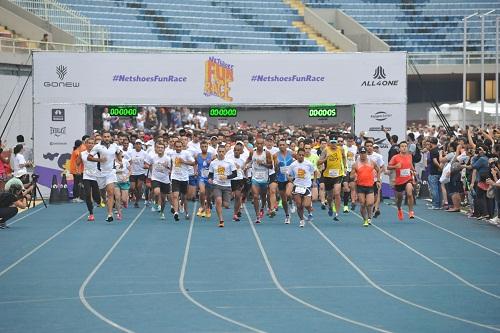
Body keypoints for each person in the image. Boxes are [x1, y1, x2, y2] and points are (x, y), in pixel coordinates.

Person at [87, 131, 120, 222]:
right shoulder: (97, 147)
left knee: (110, 192)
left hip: (111, 172)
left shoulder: (114, 146)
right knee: (102, 192)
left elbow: (118, 153)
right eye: (104, 136)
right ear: (102, 137)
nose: (106, 138)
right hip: (100, 173)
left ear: (110, 137)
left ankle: (109, 214)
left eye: (108, 136)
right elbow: (89, 157)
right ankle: (104, 199)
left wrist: (120, 160)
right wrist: (99, 159)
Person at [208, 145, 237, 227]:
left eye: (222, 151)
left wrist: (226, 177)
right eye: (219, 151)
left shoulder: (229, 162)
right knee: (218, 201)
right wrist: (210, 179)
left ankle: (220, 204)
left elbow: (235, 174)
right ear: (217, 152)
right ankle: (221, 220)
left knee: (226, 205)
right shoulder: (213, 163)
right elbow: (210, 174)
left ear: (225, 152)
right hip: (217, 184)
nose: (221, 153)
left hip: (227, 186)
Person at [318, 138, 346, 222]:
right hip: (327, 175)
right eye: (332, 143)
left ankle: (337, 213)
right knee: (329, 196)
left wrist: (344, 167)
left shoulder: (341, 149)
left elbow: (344, 157)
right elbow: (318, 162)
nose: (334, 144)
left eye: (335, 143)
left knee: (337, 193)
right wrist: (325, 159)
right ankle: (330, 206)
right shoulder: (326, 150)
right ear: (329, 143)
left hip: (338, 174)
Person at [246, 137, 273, 224]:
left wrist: (262, 163)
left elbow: (271, 166)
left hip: (264, 178)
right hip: (255, 177)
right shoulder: (252, 152)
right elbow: (249, 160)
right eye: (258, 144)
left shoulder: (267, 153)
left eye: (261, 144)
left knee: (263, 196)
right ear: (255, 144)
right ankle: (257, 215)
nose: (260, 145)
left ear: (263, 144)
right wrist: (246, 165)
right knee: (255, 196)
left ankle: (262, 208)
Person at [351, 146, 379, 226]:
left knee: (370, 203)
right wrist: (353, 176)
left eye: (364, 153)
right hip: (360, 186)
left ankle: (370, 216)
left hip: (370, 185)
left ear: (366, 153)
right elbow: (351, 176)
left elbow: (378, 169)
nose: (363, 155)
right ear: (359, 154)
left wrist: (378, 180)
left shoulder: (372, 162)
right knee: (362, 204)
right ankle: (365, 220)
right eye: (361, 153)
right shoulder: (356, 164)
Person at [388, 141, 416, 220]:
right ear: (399, 148)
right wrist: (395, 166)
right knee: (399, 199)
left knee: (409, 193)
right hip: (399, 181)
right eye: (402, 146)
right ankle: (399, 209)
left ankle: (411, 212)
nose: (404, 148)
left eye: (405, 146)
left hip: (408, 179)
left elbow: (410, 166)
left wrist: (414, 172)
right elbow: (388, 167)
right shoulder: (395, 157)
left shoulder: (409, 156)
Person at [288, 148, 315, 227]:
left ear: (304, 155)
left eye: (302, 155)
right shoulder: (293, 165)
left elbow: (314, 171)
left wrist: (314, 181)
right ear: (297, 155)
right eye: (299, 155)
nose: (301, 156)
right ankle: (301, 220)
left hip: (306, 186)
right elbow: (288, 174)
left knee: (305, 205)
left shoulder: (308, 163)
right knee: (299, 205)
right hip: (297, 186)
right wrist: (290, 178)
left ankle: (309, 209)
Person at [144, 142, 171, 220]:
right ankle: (155, 202)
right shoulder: (153, 157)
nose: (160, 149)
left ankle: (162, 212)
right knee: (156, 192)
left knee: (163, 199)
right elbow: (146, 164)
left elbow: (171, 169)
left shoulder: (168, 158)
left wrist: (168, 168)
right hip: (155, 178)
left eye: (161, 148)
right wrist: (149, 167)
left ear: (164, 149)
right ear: (156, 149)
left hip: (165, 180)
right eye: (158, 147)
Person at [170, 140, 195, 221]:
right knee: (175, 195)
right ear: (174, 147)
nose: (178, 148)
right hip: (175, 177)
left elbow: (193, 163)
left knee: (184, 197)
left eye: (180, 146)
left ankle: (183, 207)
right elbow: (170, 163)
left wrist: (184, 162)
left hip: (184, 178)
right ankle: (176, 213)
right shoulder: (171, 154)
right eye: (177, 146)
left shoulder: (186, 153)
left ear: (182, 147)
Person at [78, 138, 101, 221]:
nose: (91, 144)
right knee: (87, 195)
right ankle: (91, 214)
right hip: (86, 176)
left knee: (96, 196)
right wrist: (78, 171)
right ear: (85, 144)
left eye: (92, 143)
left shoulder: (97, 153)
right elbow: (77, 163)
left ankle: (99, 201)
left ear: (94, 144)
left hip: (96, 176)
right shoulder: (82, 153)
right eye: (89, 143)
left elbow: (102, 162)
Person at [275, 139, 294, 224]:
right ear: (278, 146)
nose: (282, 146)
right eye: (280, 145)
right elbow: (274, 169)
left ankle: (292, 202)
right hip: (281, 178)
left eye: (283, 145)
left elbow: (299, 161)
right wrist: (276, 164)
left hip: (289, 178)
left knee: (288, 193)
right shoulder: (275, 155)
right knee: (283, 200)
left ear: (286, 145)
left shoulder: (291, 153)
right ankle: (287, 215)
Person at [227, 142, 246, 222]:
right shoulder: (229, 158)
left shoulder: (243, 159)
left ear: (241, 151)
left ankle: (235, 214)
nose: (236, 151)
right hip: (230, 179)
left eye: (238, 150)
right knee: (227, 201)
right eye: (235, 150)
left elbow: (245, 169)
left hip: (239, 179)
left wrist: (244, 171)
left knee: (238, 196)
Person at [129, 140, 147, 208]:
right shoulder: (131, 152)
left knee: (139, 187)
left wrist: (145, 166)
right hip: (133, 172)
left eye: (139, 144)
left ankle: (137, 201)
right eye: (137, 144)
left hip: (141, 172)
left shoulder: (144, 153)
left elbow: (146, 162)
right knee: (132, 187)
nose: (138, 145)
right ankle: (134, 195)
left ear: (141, 145)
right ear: (135, 145)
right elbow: (129, 161)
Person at [114, 150, 131, 219]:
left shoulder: (125, 161)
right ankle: (119, 213)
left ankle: (125, 202)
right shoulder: (113, 162)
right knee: (117, 198)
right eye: (117, 154)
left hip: (124, 182)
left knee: (124, 199)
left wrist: (127, 176)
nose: (119, 155)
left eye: (120, 154)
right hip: (116, 182)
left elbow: (130, 170)